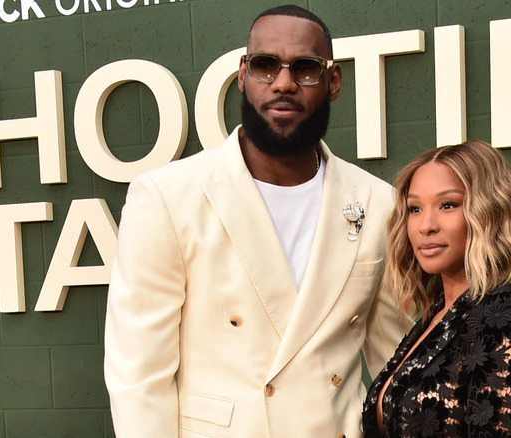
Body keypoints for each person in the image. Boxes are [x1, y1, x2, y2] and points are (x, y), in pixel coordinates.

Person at [104, 5, 412, 438]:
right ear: (243, 75)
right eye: (267, 65)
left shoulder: (379, 203)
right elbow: (139, 376)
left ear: (333, 81)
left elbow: (395, 367)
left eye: (305, 68)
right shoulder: (167, 196)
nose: (284, 83)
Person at [361, 140, 511, 437]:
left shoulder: (506, 316)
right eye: (415, 208)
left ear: (489, 211)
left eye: (448, 205)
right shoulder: (438, 316)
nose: (425, 225)